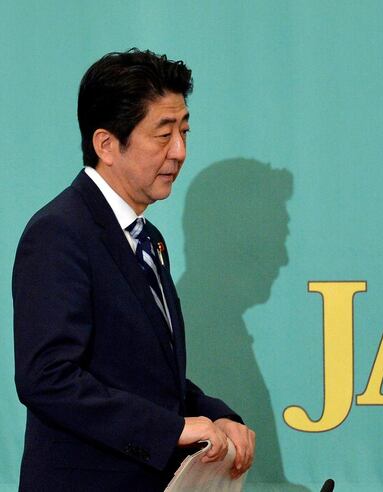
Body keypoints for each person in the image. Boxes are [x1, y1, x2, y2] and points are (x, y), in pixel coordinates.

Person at [12, 49, 255, 491]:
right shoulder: (58, 232)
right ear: (106, 144)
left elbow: (143, 377)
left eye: (184, 131)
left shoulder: (148, 238)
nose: (180, 151)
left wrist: (215, 413)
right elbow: (47, 379)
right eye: (163, 135)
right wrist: (172, 430)